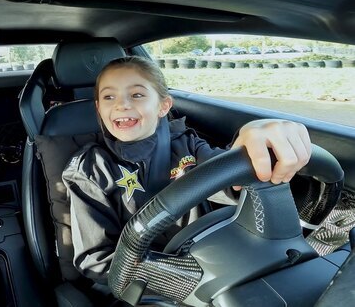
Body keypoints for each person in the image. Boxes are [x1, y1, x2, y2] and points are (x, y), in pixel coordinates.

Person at [62, 55, 311, 285]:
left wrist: (260, 141)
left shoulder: (188, 145)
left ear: (163, 106)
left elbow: (235, 182)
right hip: (142, 287)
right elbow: (95, 260)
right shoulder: (89, 170)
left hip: (214, 263)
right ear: (99, 109)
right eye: (109, 97)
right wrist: (182, 279)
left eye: (137, 95)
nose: (122, 105)